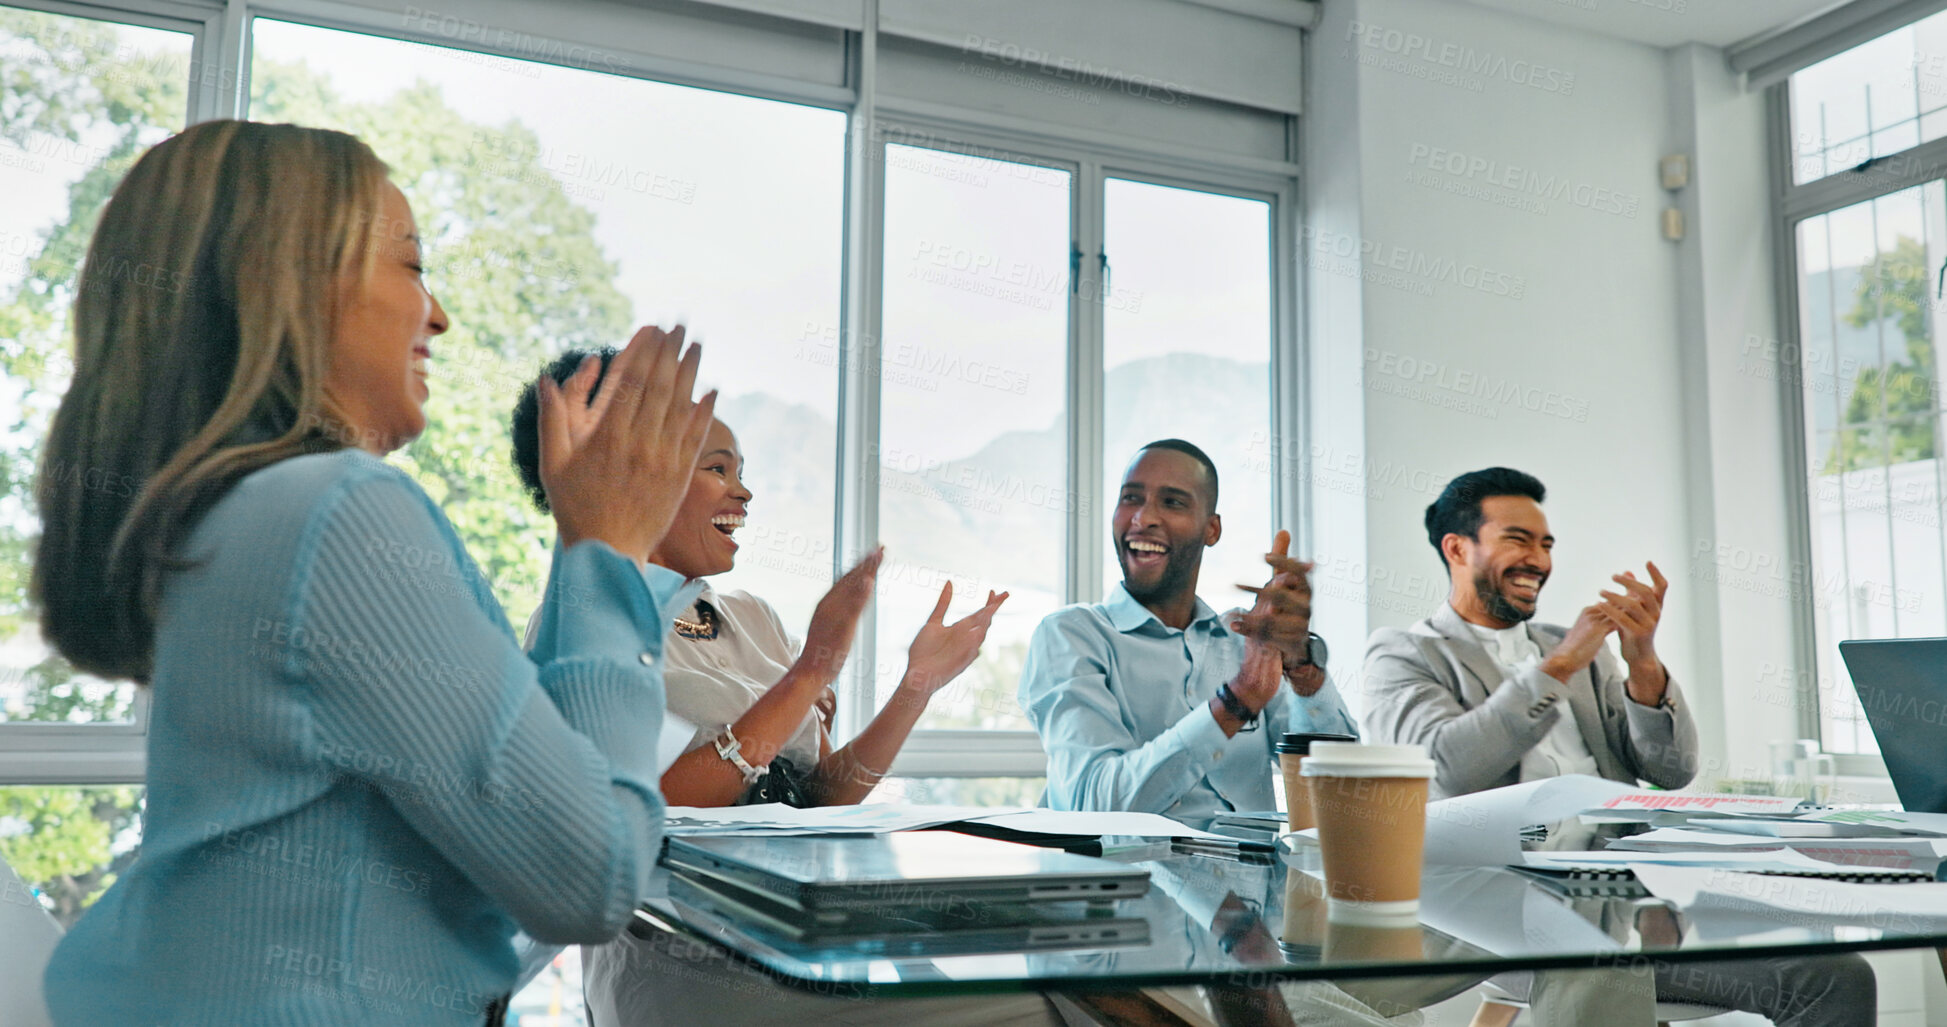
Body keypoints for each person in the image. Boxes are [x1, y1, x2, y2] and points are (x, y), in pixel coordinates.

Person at [32, 121, 713, 1025]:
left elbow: (523, 802)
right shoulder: (333, 511)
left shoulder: (237, 517)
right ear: (288, 281)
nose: (437, 315)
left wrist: (589, 545)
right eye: (410, 267)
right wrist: (613, 552)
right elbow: (588, 876)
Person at [508, 349, 1058, 1026]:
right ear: (648, 477)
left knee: (1057, 992)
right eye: (716, 469)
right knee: (1039, 1009)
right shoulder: (586, 624)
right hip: (687, 958)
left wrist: (916, 686)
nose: (742, 492)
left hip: (807, 932)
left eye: (742, 473)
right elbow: (651, 812)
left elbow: (824, 792)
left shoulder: (754, 617)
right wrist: (808, 675)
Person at [1362, 466, 1875, 1026]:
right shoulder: (1406, 654)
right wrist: (1557, 667)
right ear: (1458, 548)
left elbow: (1671, 770)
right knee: (1589, 966)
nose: (1538, 559)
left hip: (1626, 909)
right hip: (1496, 921)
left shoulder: (1576, 649)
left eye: (1546, 543)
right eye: (1517, 539)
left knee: (1835, 975)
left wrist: (1642, 663)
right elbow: (1450, 769)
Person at [1018, 438, 1357, 832]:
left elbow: (1341, 786)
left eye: (1173, 502)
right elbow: (1092, 807)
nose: (1143, 518)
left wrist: (1301, 665)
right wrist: (1235, 701)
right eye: (1131, 498)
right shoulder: (1072, 636)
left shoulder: (1245, 642)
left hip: (1260, 888)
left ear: (1211, 529)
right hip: (1130, 890)